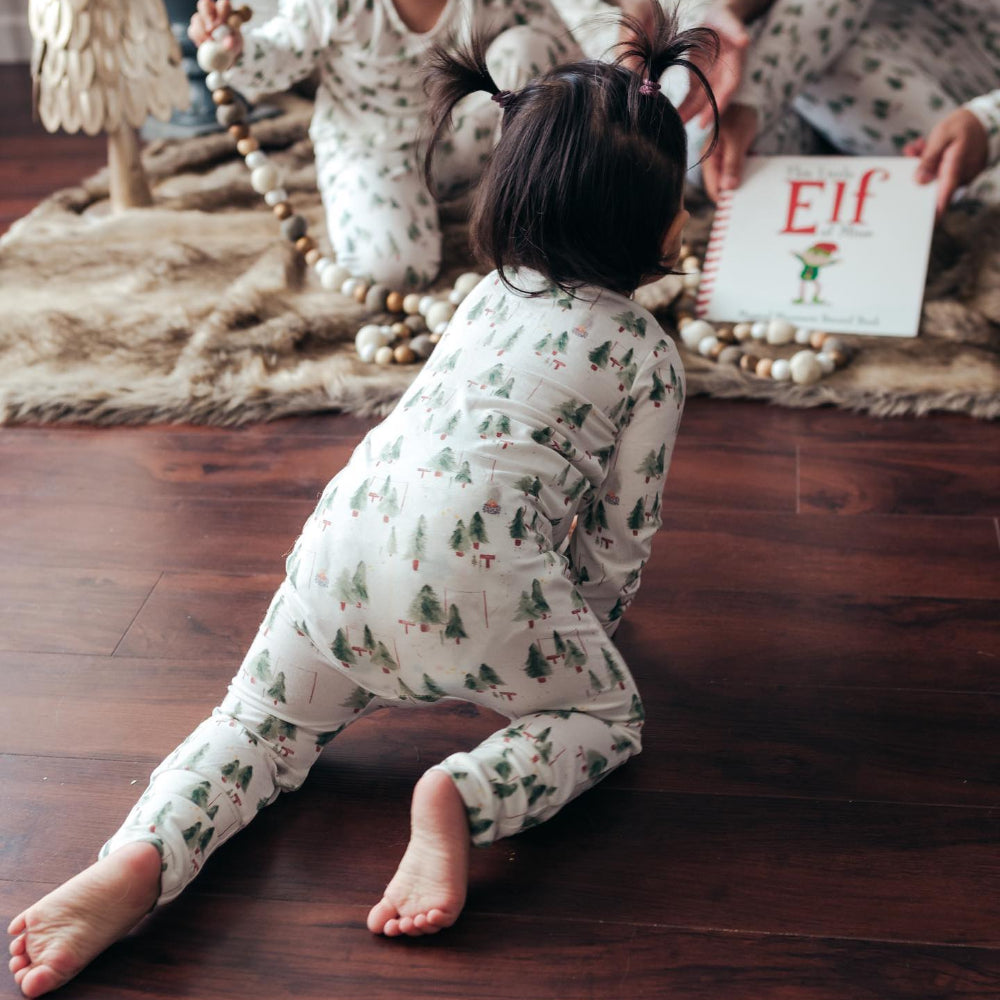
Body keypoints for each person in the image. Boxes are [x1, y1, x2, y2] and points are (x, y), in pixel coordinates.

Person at [7, 5, 718, 996]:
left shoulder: (483, 296)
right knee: (606, 715)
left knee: (256, 723)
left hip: (337, 555)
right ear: (657, 222)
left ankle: (136, 858)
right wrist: (574, 647)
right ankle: (463, 796)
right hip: (482, 589)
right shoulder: (646, 353)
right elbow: (616, 537)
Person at [188, 0, 579, 290]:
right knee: (394, 272)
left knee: (530, 47)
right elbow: (281, 54)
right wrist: (235, 47)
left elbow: (558, 38)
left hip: (465, 136)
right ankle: (404, 207)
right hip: (371, 143)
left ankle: (513, 203)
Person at [694, 0, 1000, 217]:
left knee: (843, 70)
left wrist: (988, 120)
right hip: (849, 56)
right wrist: (747, 101)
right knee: (702, 150)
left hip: (974, 74)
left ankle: (962, 187)